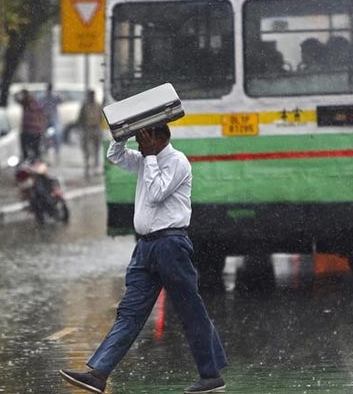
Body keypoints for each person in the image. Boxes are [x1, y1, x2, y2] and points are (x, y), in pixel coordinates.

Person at [59, 124, 228, 394]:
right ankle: (99, 374)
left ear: (160, 138)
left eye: (144, 137)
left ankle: (210, 376)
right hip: (145, 248)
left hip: (171, 245)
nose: (140, 142)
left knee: (189, 310)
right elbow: (115, 156)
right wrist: (122, 136)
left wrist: (149, 157)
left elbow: (157, 191)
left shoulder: (177, 161)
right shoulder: (145, 159)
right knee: (130, 312)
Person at [77, 90, 103, 178]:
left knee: (96, 150)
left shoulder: (98, 105)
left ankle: (95, 168)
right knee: (87, 150)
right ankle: (87, 168)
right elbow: (80, 118)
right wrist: (81, 129)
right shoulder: (85, 106)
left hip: (96, 128)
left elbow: (101, 117)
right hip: (87, 129)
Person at [15, 89, 45, 161]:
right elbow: (16, 99)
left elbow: (42, 116)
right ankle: (28, 160)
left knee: (35, 150)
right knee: (26, 150)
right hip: (28, 130)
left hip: (34, 131)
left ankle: (36, 161)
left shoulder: (35, 104)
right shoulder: (25, 103)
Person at [40, 83, 62, 163]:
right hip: (45, 120)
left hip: (53, 119)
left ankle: (57, 152)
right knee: (43, 136)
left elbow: (60, 100)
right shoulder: (43, 97)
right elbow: (40, 106)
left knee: (57, 135)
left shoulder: (54, 97)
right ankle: (44, 151)